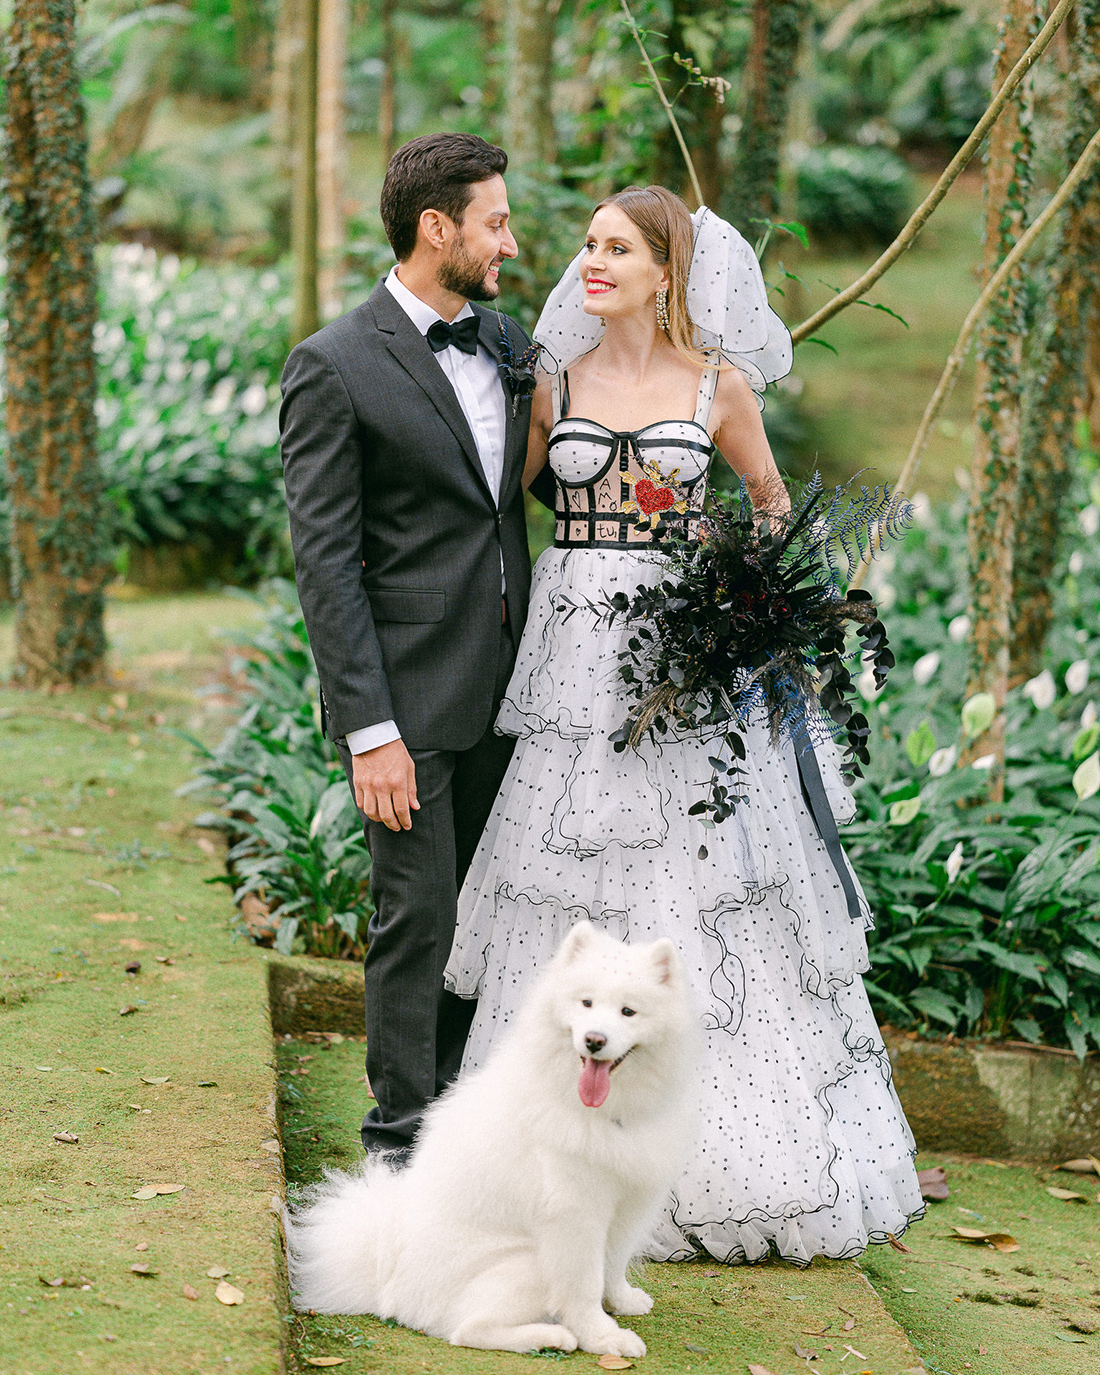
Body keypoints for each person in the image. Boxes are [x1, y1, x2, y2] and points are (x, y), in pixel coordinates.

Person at [444, 185, 925, 1265]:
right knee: (566, 884)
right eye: (587, 245)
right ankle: (545, 1156)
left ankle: (721, 1159)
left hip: (686, 670)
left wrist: (737, 600)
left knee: (699, 887)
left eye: (616, 248)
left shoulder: (719, 386)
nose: (590, 262)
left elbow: (767, 511)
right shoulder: (551, 381)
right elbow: (497, 506)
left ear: (670, 271)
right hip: (573, 662)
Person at [279, 132, 541, 1163]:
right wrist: (369, 731)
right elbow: (327, 567)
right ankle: (398, 1150)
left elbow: (523, 500)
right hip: (407, 701)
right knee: (418, 920)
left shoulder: (511, 341)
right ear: (437, 228)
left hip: (512, 690)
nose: (510, 242)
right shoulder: (331, 366)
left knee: (487, 927)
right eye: (495, 222)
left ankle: (467, 1135)